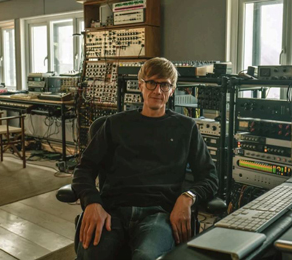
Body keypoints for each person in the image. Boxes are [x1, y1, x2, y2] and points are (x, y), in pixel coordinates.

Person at [72, 57, 219, 260]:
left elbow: (210, 177)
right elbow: (84, 169)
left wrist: (188, 197)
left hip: (159, 214)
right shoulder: (115, 124)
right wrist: (91, 202)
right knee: (92, 254)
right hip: (112, 212)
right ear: (141, 85)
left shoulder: (186, 128)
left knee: (147, 257)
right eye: (152, 83)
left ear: (172, 89)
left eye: (164, 85)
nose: (157, 91)